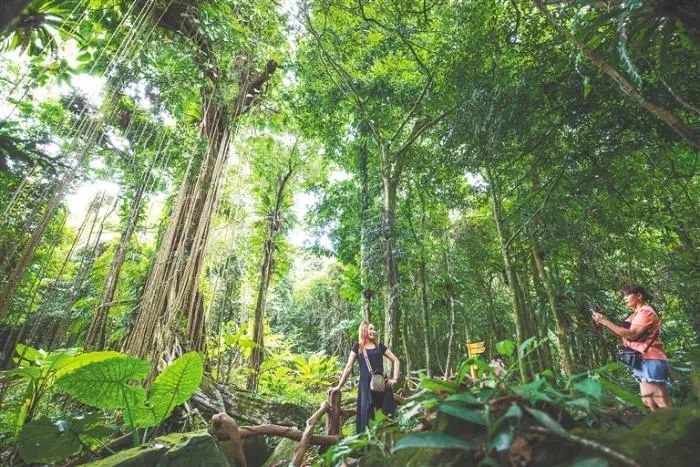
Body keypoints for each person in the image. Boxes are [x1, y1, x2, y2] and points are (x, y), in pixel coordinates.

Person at [592, 284, 672, 411]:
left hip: (651, 357)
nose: (624, 298)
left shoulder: (646, 312)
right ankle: (663, 428)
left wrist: (605, 322)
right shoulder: (635, 314)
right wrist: (604, 321)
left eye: (627, 295)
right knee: (648, 401)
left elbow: (632, 334)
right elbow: (621, 333)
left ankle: (680, 427)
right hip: (641, 359)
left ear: (639, 296)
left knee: (659, 399)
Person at [329, 321, 400, 433]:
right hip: (366, 386)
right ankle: (367, 446)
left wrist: (395, 378)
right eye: (370, 329)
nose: (373, 331)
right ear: (364, 330)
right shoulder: (357, 347)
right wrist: (339, 386)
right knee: (367, 415)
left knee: (386, 415)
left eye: (374, 329)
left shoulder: (379, 347)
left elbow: (396, 360)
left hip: (381, 385)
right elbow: (348, 367)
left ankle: (387, 443)